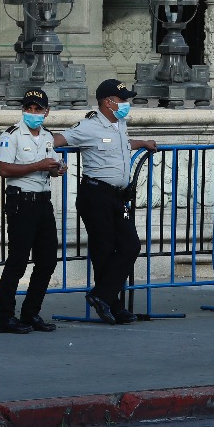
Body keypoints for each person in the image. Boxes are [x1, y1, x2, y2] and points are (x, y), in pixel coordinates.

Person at [57, 79, 158, 325]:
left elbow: (121, 146)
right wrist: (37, 148)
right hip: (95, 195)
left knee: (130, 245)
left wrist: (142, 143)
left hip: (116, 196)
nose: (126, 104)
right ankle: (113, 304)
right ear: (108, 101)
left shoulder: (119, 124)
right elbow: (60, 139)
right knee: (104, 251)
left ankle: (103, 296)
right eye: (122, 100)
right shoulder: (89, 126)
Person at [0, 88, 66, 333]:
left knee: (47, 260)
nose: (32, 113)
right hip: (21, 202)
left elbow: (50, 165)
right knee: (18, 261)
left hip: (43, 201)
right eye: (28, 108)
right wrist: (39, 165)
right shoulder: (12, 134)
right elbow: (4, 169)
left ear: (46, 111)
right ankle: (4, 317)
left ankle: (30, 312)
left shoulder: (46, 136)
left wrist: (56, 169)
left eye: (37, 109)